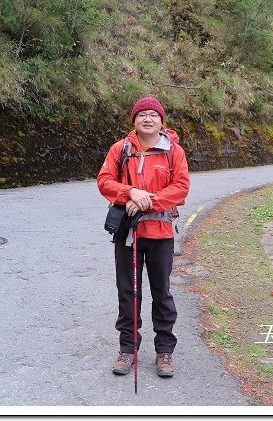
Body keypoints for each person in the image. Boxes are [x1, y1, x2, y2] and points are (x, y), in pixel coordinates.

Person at [96, 96, 190, 378]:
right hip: (128, 232)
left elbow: (181, 188)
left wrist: (147, 199)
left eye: (153, 115)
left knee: (162, 293)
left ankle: (164, 351)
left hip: (160, 233)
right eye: (142, 115)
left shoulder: (174, 151)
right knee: (127, 292)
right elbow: (104, 181)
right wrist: (129, 193)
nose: (147, 119)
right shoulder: (120, 149)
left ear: (162, 122)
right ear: (134, 120)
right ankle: (128, 348)